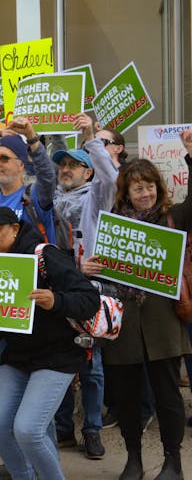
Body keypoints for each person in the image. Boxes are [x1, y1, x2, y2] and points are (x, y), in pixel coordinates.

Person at [0, 207, 98, 480]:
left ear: (15, 229)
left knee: (28, 429)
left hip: (58, 355)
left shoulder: (44, 255)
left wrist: (56, 301)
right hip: (19, 357)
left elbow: (89, 299)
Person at [82, 134, 192, 480]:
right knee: (127, 396)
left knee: (167, 394)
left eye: (150, 187)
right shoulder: (112, 224)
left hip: (162, 321)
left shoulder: (173, 218)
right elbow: (95, 262)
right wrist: (86, 267)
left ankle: (172, 461)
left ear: (158, 188)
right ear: (126, 194)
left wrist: (191, 155)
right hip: (124, 322)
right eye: (137, 189)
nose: (145, 194)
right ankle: (134, 459)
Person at [50, 113, 118, 458]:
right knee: (60, 361)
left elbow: (111, 176)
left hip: (91, 289)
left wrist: (90, 136)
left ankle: (92, 430)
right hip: (60, 290)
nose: (66, 169)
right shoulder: (55, 200)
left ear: (88, 171)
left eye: (74, 165)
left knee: (91, 368)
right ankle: (63, 430)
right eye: (62, 165)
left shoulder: (97, 197)